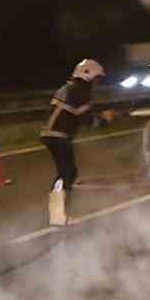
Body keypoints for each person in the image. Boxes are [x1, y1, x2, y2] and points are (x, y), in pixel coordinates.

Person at [41, 58, 107, 223]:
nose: (96, 83)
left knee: (68, 172)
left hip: (54, 134)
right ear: (86, 75)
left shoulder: (71, 88)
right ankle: (58, 216)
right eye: (96, 78)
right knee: (66, 173)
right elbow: (88, 119)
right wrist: (104, 120)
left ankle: (60, 213)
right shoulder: (78, 90)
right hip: (58, 135)